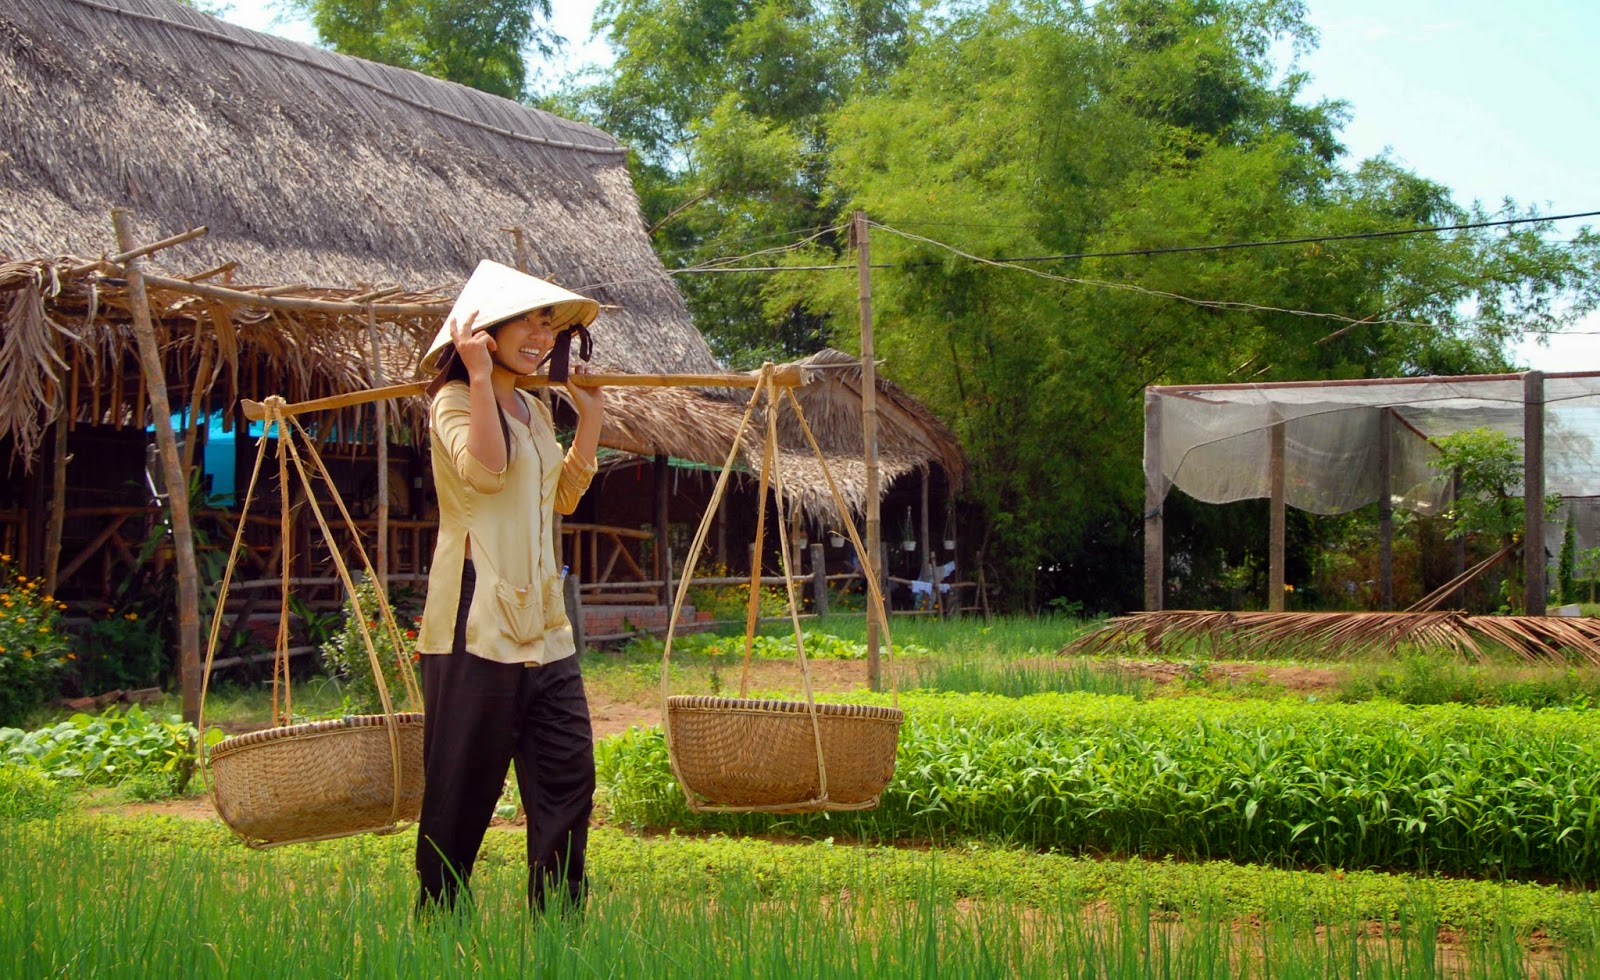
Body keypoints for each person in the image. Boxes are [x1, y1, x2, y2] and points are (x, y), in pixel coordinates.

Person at [411, 260, 605, 915]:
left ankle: (556, 922)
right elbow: (486, 474)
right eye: (527, 319)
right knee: (462, 788)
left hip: (545, 624)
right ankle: (439, 919)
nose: (541, 334)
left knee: (568, 773)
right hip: (474, 617)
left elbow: (565, 498)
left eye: (549, 323)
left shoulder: (536, 410)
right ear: (484, 329)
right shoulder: (454, 401)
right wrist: (479, 378)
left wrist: (591, 418)